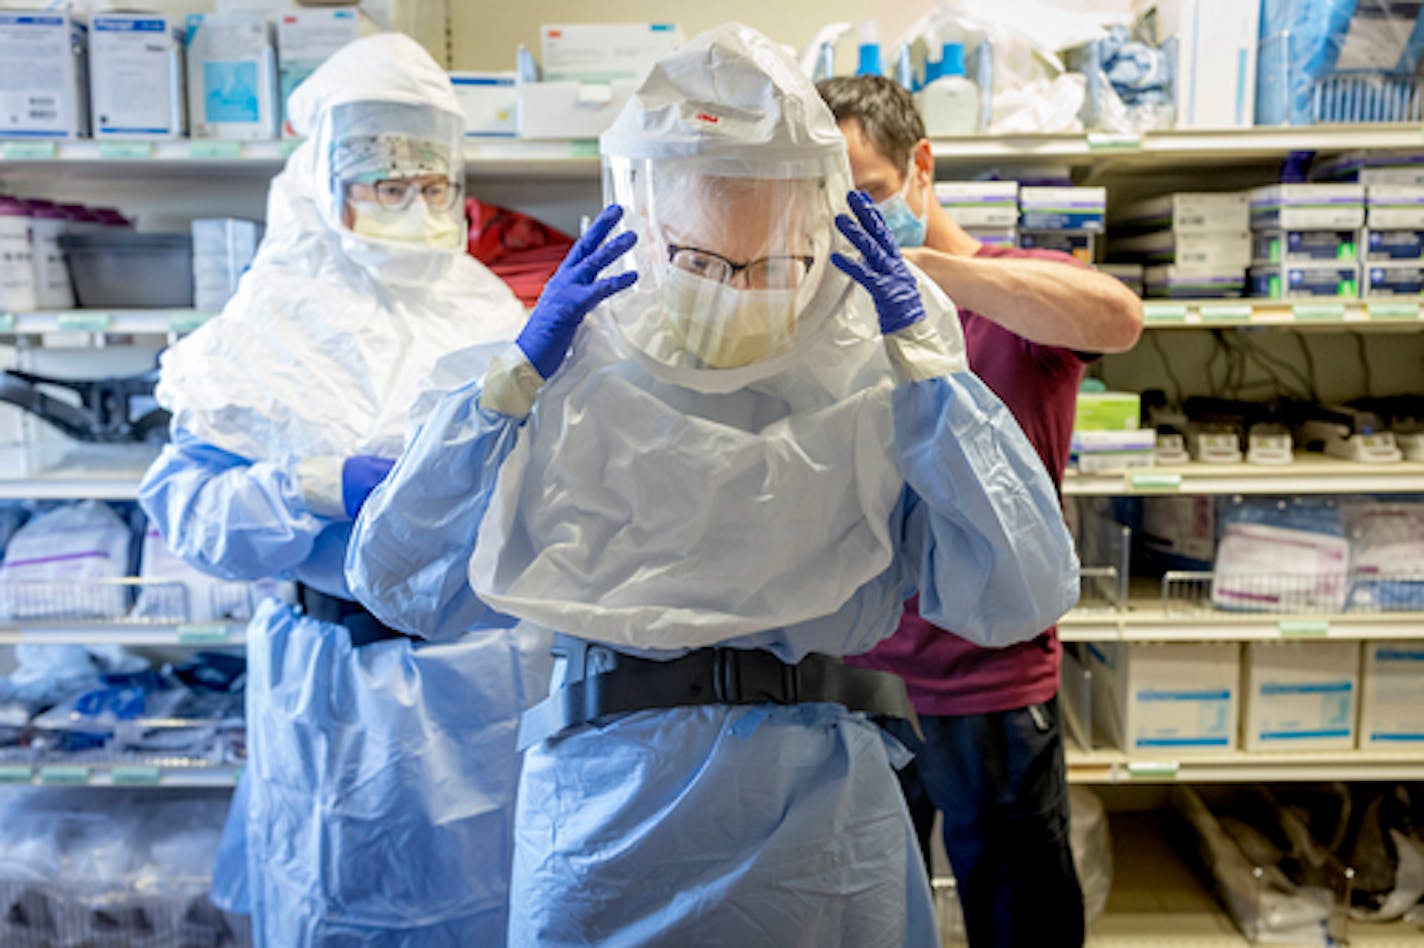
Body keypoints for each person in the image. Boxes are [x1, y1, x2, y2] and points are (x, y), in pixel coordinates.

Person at [346, 23, 1079, 947]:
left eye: (768, 265)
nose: (734, 292)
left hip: (821, 811)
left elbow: (1023, 590)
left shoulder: (871, 366)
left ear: (817, 232)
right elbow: (401, 577)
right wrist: (510, 384)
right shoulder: (565, 366)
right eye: (699, 262)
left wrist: (937, 378)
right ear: (645, 229)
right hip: (610, 806)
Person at [139, 34, 543, 947]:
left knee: (494, 907)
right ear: (328, 181)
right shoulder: (263, 324)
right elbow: (191, 517)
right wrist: (314, 485)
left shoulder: (483, 306)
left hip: (485, 681)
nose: (417, 205)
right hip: (340, 685)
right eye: (387, 185)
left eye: (434, 185)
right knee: (342, 905)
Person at [819, 74, 1144, 948]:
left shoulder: (1008, 292)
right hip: (859, 678)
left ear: (921, 167)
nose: (852, 223)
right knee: (866, 918)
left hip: (988, 684)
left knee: (1020, 921)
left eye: (871, 198)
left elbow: (1119, 318)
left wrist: (933, 275)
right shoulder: (831, 312)